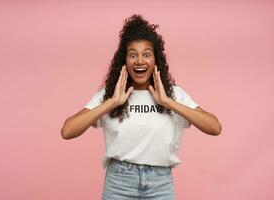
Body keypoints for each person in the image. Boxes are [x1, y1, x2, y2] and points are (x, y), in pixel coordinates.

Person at [61, 14, 222, 200]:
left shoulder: (173, 94)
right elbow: (67, 131)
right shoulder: (110, 95)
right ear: (125, 61)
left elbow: (215, 127)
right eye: (133, 55)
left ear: (155, 60)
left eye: (146, 54)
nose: (139, 61)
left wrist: (168, 102)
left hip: (160, 183)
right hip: (119, 183)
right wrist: (111, 102)